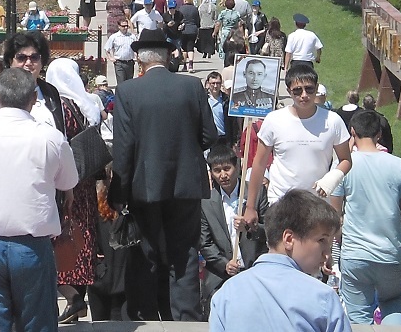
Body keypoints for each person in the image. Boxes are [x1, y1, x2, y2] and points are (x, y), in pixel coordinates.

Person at [0, 67, 79, 332]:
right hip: (31, 247)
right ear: (34, 98)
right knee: (37, 322)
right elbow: (68, 183)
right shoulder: (50, 137)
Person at [108, 28, 216, 321]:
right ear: (169, 56)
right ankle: (187, 318)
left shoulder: (128, 91)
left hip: (145, 186)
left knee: (146, 253)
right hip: (186, 185)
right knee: (185, 254)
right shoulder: (192, 86)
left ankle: (144, 315)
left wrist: (118, 193)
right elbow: (209, 135)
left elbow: (124, 147)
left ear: (140, 60)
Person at [209, 189, 350, 332]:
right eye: (322, 240)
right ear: (289, 239)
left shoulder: (226, 293)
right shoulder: (323, 297)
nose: (327, 253)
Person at [327, 110, 401, 327]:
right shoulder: (397, 164)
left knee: (358, 317)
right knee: (393, 303)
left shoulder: (345, 166)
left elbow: (334, 214)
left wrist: (337, 241)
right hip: (390, 252)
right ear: (379, 134)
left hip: (355, 253)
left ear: (352, 132)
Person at [241, 63, 351, 229]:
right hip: (280, 202)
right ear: (289, 90)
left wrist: (332, 178)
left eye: (309, 89)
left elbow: (346, 160)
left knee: (312, 254)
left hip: (316, 205)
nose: (304, 95)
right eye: (297, 90)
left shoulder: (333, 120)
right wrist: (250, 207)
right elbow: (259, 164)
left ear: (317, 88)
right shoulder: (274, 120)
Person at [199, 144, 268, 308]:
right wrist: (224, 264)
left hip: (254, 271)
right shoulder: (206, 201)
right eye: (217, 170)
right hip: (221, 276)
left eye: (227, 168)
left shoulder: (256, 193)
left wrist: (252, 227)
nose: (223, 175)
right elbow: (204, 242)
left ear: (238, 166)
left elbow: (271, 231)